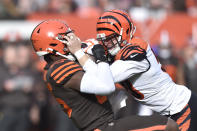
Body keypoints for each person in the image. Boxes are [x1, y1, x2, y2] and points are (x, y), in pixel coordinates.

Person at [30, 20, 178, 131]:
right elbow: (105, 86)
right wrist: (98, 57)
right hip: (103, 127)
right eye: (66, 37)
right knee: (173, 125)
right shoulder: (59, 69)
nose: (73, 39)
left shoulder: (58, 66)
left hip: (107, 124)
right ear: (54, 45)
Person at [74, 9, 197, 131]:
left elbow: (103, 80)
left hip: (182, 108)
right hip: (172, 111)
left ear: (125, 33)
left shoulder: (135, 53)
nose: (107, 44)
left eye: (111, 38)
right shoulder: (119, 49)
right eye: (104, 40)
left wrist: (80, 54)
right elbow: (89, 47)